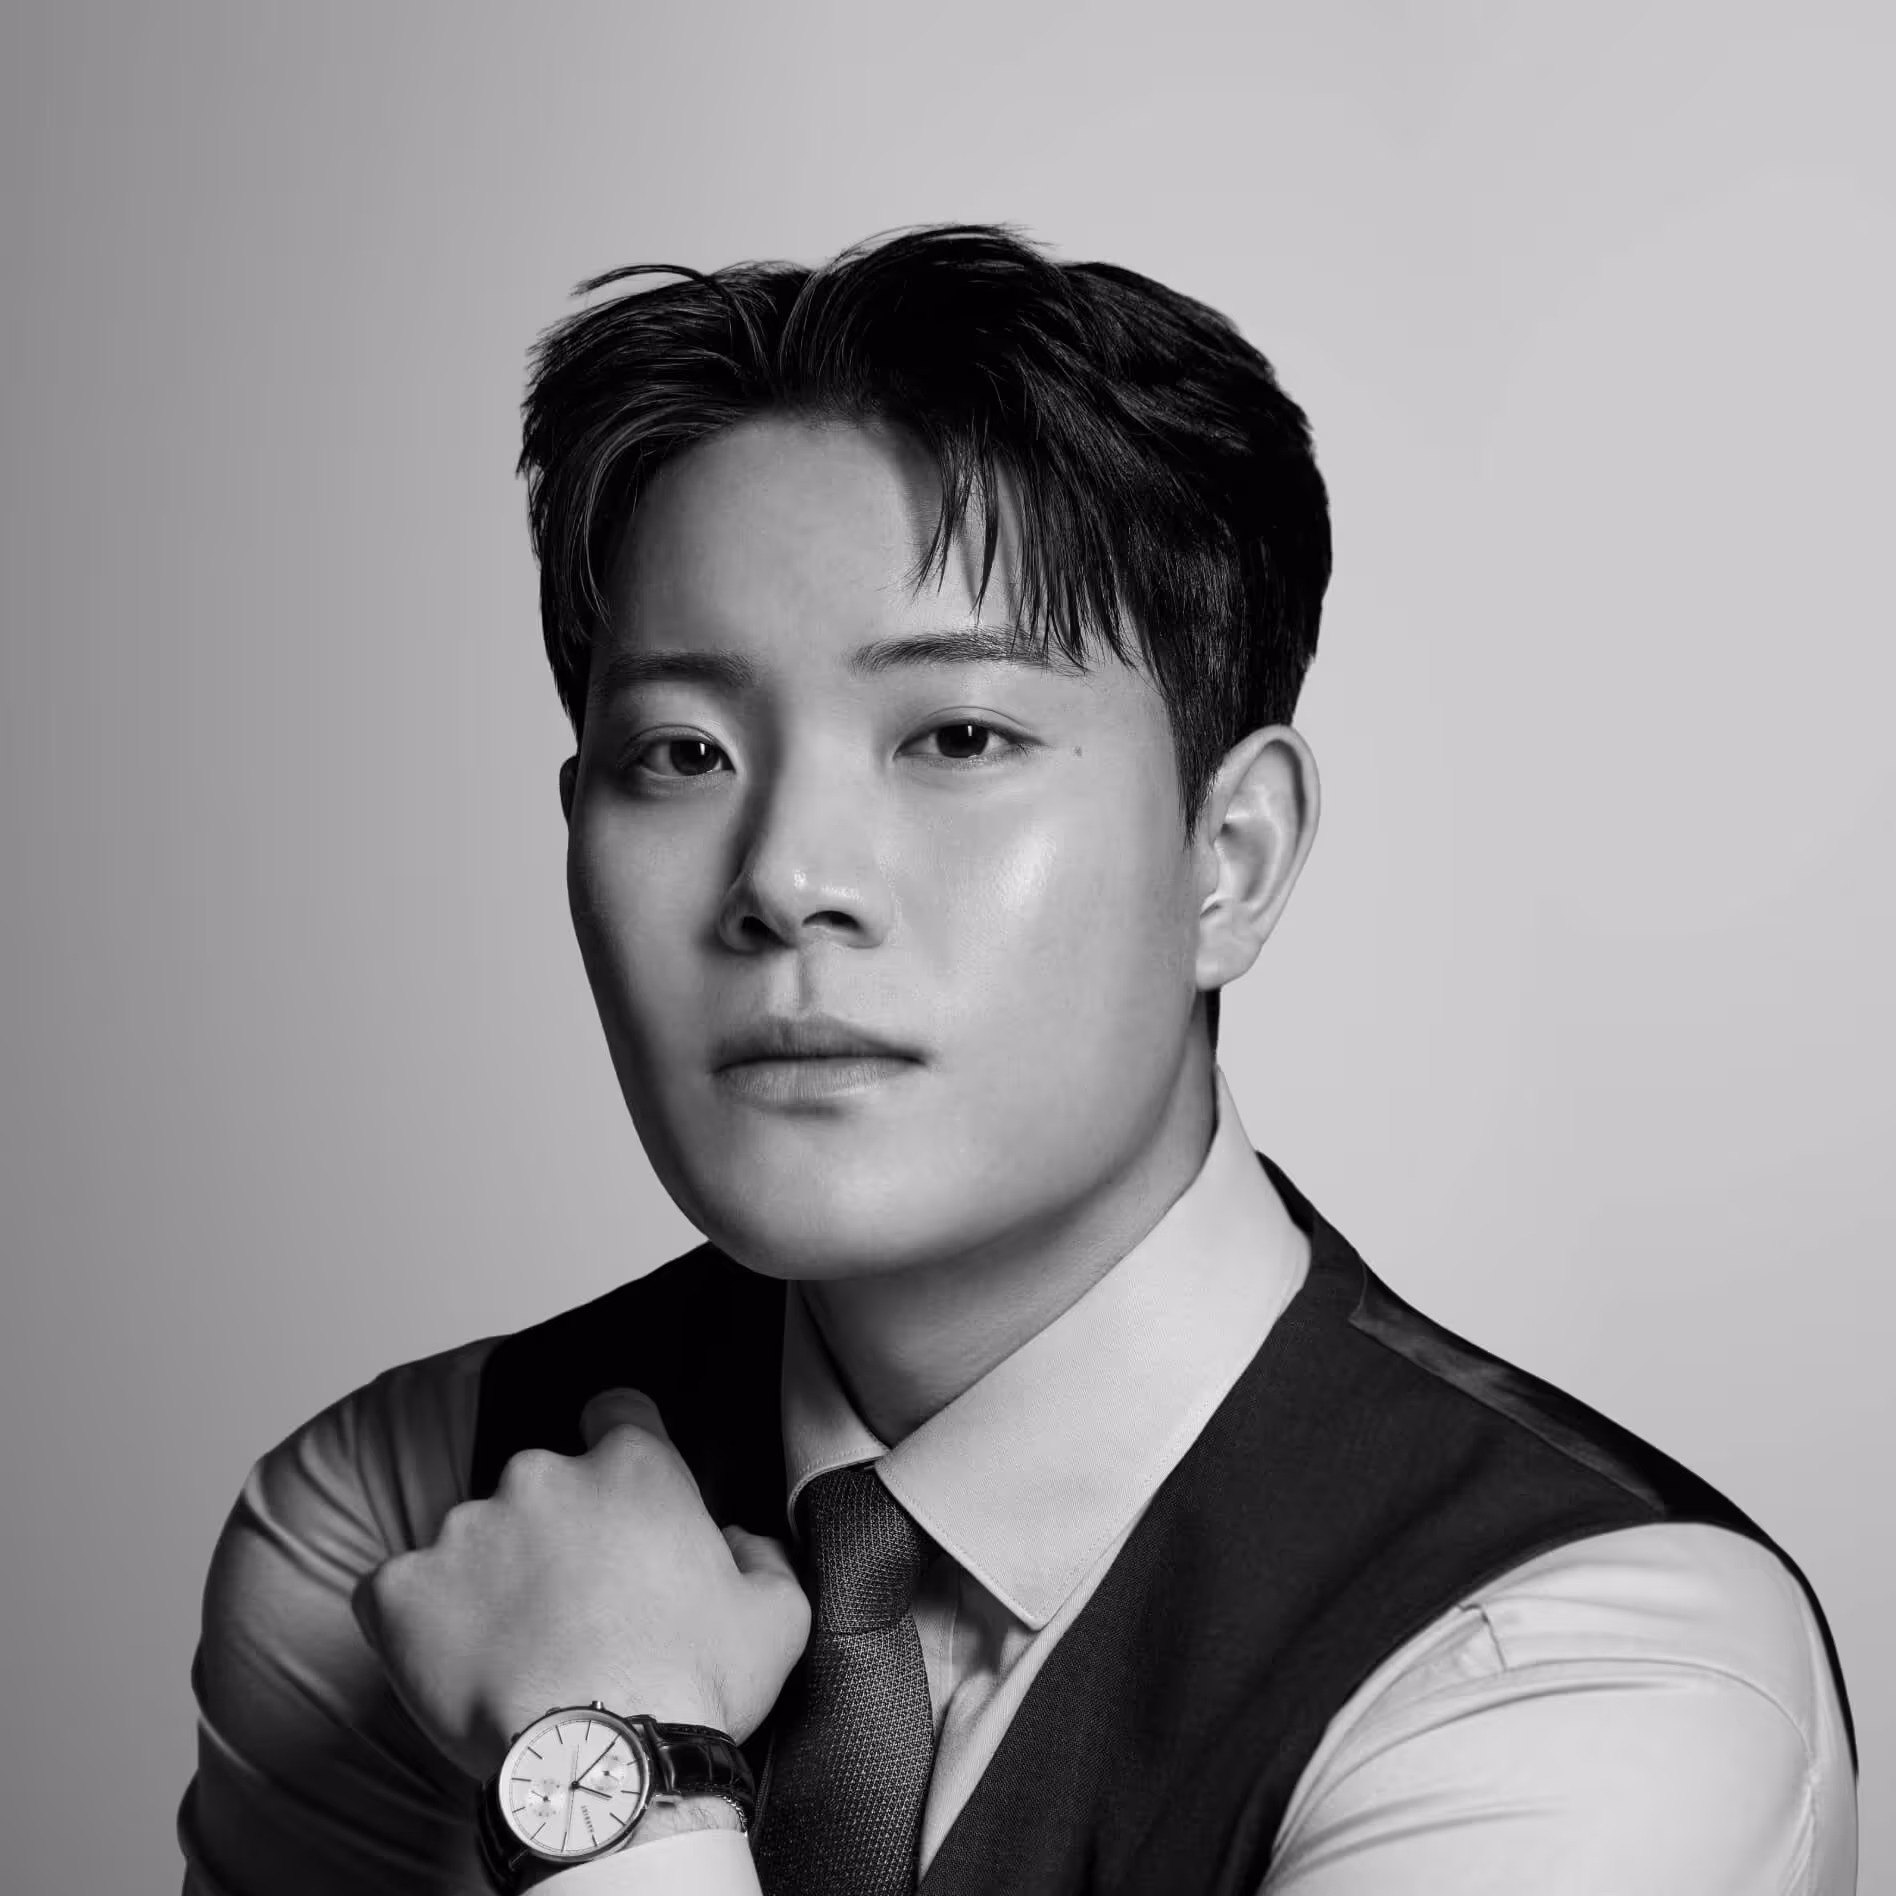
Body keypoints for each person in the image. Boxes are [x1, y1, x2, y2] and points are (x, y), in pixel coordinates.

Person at [179, 223, 1858, 1895]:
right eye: (682, 753)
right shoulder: (406, 1517)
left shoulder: (1593, 1674)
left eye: (958, 735)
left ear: (1231, 858)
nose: (787, 880)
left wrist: (612, 1766)